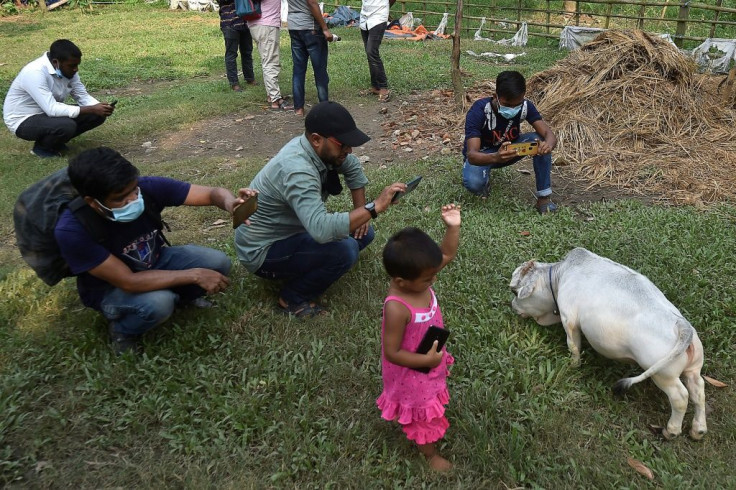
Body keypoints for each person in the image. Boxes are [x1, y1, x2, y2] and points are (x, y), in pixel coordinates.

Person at [54, 147, 257, 354]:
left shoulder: (146, 188)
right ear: (92, 202)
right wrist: (195, 275)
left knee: (218, 262)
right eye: (120, 198)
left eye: (134, 190)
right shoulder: (72, 230)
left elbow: (211, 194)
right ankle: (123, 330)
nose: (133, 199)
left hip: (154, 260)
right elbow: (129, 282)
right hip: (112, 289)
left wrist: (230, 203)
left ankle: (184, 298)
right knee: (159, 303)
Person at [234, 101, 406, 317]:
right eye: (342, 144)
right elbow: (321, 230)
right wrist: (373, 207)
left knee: (363, 232)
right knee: (345, 250)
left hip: (292, 232)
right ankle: (292, 298)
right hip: (263, 251)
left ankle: (305, 265)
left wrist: (362, 212)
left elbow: (352, 166)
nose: (349, 150)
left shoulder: (316, 150)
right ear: (316, 139)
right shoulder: (297, 170)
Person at [376, 204, 461, 472]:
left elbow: (446, 253)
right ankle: (430, 455)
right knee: (421, 413)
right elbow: (392, 352)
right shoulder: (397, 306)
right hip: (411, 371)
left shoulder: (420, 276)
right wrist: (425, 359)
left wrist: (452, 227)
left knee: (431, 395)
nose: (434, 280)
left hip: (429, 358)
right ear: (401, 281)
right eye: (428, 279)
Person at [462, 70, 558, 213]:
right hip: (484, 156)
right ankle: (484, 181)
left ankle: (543, 199)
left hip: (511, 150)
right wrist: (496, 157)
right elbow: (472, 155)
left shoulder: (525, 106)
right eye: (507, 104)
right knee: (475, 184)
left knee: (540, 141)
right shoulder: (479, 111)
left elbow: (548, 134)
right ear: (495, 97)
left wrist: (548, 145)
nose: (513, 109)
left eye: (517, 104)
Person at [3, 39, 114, 158]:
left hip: (46, 115)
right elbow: (51, 109)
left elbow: (81, 95)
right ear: (56, 62)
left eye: (77, 65)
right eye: (72, 65)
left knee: (96, 115)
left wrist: (100, 108)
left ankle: (55, 142)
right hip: (23, 120)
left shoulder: (68, 70)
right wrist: (92, 109)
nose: (76, 69)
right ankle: (42, 149)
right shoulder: (34, 73)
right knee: (67, 125)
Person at [286, 0, 334, 116]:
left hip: (294, 25)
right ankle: (324, 107)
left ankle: (299, 108)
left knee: (298, 69)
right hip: (310, 26)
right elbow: (312, 2)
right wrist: (325, 28)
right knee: (320, 70)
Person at [248, 0, 293, 110]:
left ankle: (271, 95)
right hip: (267, 24)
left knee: (267, 60)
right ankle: (276, 99)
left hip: (257, 23)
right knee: (271, 62)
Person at [217, 0, 256, 92]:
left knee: (247, 52)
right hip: (229, 22)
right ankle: (234, 83)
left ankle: (250, 78)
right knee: (231, 54)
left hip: (245, 21)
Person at [360, 0, 395, 102]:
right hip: (364, 17)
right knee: (369, 52)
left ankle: (383, 88)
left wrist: (385, 8)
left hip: (379, 16)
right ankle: (375, 87)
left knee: (372, 51)